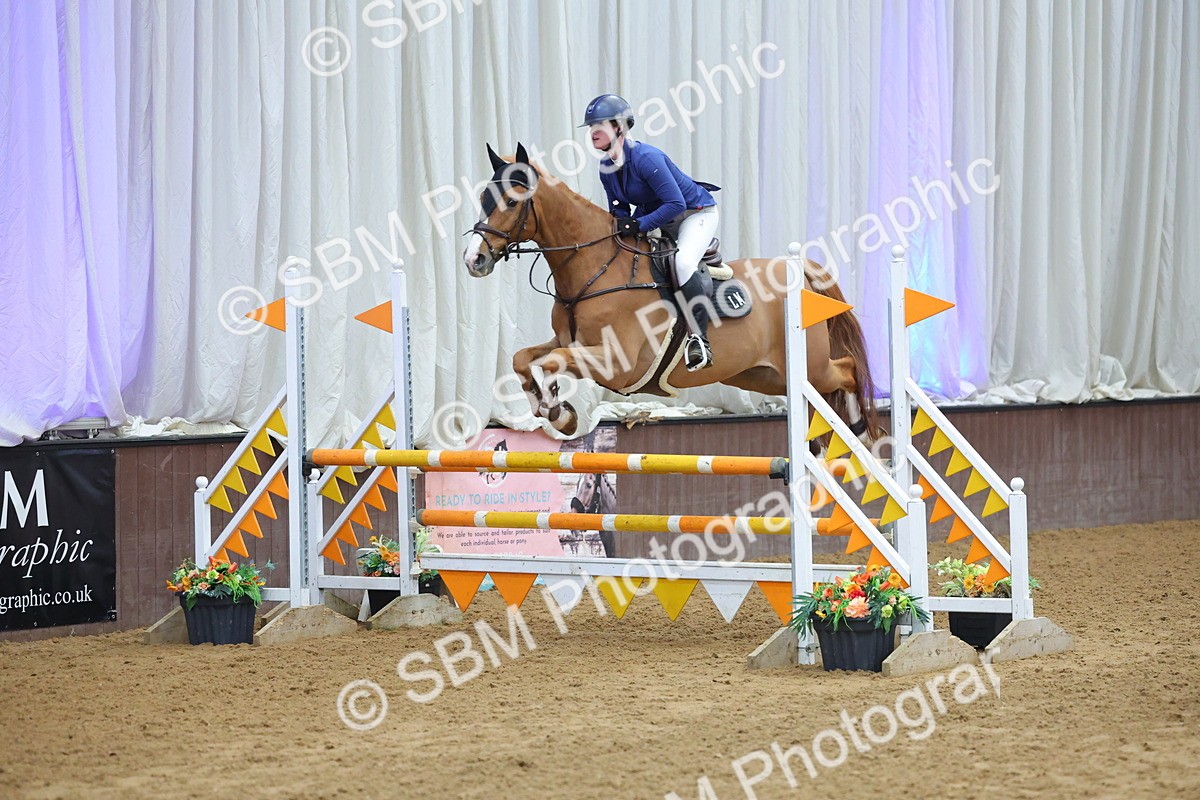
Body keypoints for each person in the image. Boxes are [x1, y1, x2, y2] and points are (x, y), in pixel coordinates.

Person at [580, 93, 720, 371]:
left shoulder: (646, 157)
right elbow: (618, 209)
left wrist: (639, 225)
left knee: (682, 263)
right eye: (591, 127)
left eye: (600, 126)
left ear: (619, 128)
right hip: (658, 215)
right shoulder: (606, 168)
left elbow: (675, 203)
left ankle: (699, 340)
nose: (593, 132)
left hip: (694, 213)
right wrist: (618, 228)